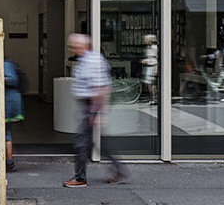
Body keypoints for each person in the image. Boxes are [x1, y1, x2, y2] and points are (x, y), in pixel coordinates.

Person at [63, 33, 126, 188]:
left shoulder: (93, 61)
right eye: (71, 46)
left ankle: (80, 178)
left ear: (84, 46)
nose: (72, 49)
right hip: (87, 106)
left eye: (75, 46)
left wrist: (96, 112)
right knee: (94, 143)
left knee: (81, 143)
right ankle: (120, 171)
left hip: (91, 106)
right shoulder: (83, 60)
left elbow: (101, 88)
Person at [140, 34, 158, 103]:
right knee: (148, 83)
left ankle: (154, 98)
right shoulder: (148, 47)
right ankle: (152, 97)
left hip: (152, 65)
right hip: (148, 66)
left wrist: (147, 61)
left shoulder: (154, 47)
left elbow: (154, 58)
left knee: (152, 83)